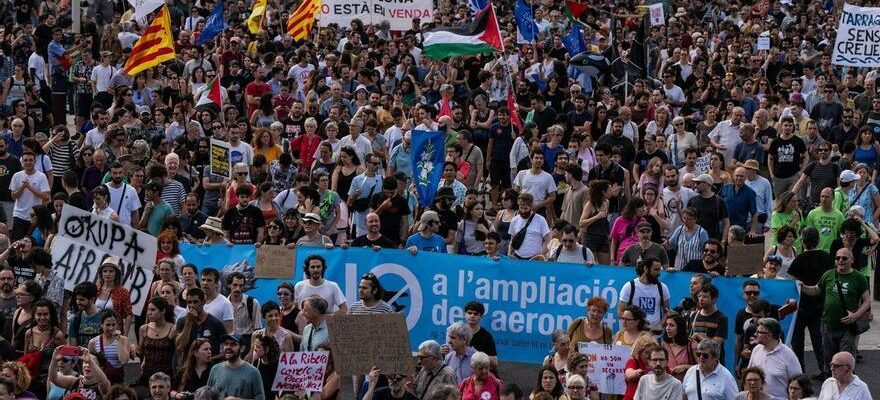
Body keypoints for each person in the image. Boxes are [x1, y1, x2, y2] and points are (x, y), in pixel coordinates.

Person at [799, 248, 871, 377]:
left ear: (852, 260)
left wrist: (855, 316)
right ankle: (831, 388)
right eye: (838, 258)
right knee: (830, 361)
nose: (840, 261)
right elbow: (816, 290)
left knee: (845, 361)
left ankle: (848, 389)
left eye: (844, 258)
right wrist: (801, 286)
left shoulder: (859, 277)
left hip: (847, 328)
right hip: (828, 326)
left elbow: (867, 301)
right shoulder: (828, 275)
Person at [787, 227, 832, 376]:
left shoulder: (799, 260)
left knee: (798, 341)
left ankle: (800, 372)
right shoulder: (827, 258)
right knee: (819, 340)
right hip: (821, 304)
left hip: (801, 306)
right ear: (818, 240)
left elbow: (791, 282)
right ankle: (824, 369)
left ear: (802, 241)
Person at [747, 318, 802, 399]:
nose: (755, 334)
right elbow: (748, 377)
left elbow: (799, 384)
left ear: (769, 336)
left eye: (759, 332)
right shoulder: (756, 350)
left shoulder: (788, 355)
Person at [618, 257, 671, 333]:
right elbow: (620, 312)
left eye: (660, 269)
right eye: (656, 270)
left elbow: (667, 312)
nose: (659, 273)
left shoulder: (662, 288)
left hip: (654, 336)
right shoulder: (629, 286)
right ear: (646, 269)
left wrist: (659, 326)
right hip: (634, 335)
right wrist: (637, 325)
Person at [206, 334, 265, 400]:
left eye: (233, 344)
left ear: (242, 348)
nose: (228, 347)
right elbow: (207, 396)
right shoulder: (215, 369)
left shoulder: (253, 372)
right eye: (226, 344)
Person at [9, 152, 49, 241]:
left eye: (30, 160)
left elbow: (45, 196)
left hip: (35, 217)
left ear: (35, 161)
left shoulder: (41, 176)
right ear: (22, 162)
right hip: (19, 214)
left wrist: (29, 187)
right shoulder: (17, 176)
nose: (28, 162)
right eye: (25, 160)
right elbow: (13, 196)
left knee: (32, 242)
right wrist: (22, 187)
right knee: (17, 242)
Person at [175, 288, 227, 356]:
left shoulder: (215, 323)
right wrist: (188, 322)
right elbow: (180, 347)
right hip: (189, 364)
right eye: (189, 302)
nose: (192, 305)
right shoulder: (182, 322)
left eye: (195, 302)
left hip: (210, 365)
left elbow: (226, 349)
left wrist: (211, 359)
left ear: (203, 302)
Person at [687, 174, 730, 241]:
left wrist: (723, 241)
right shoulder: (692, 201)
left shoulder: (719, 201)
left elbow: (726, 223)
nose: (695, 186)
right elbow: (686, 220)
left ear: (706, 184)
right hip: (695, 240)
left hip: (713, 241)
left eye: (698, 183)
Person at [508, 192, 550, 260]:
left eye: (526, 208)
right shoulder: (514, 220)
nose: (523, 211)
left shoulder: (541, 220)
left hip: (535, 260)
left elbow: (548, 241)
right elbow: (512, 240)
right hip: (517, 258)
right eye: (521, 208)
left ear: (531, 207)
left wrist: (541, 255)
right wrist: (509, 254)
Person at [68, 282, 101, 346]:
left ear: (92, 299)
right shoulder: (75, 319)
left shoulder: (104, 317)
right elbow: (73, 346)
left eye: (82, 300)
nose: (78, 302)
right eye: (76, 299)